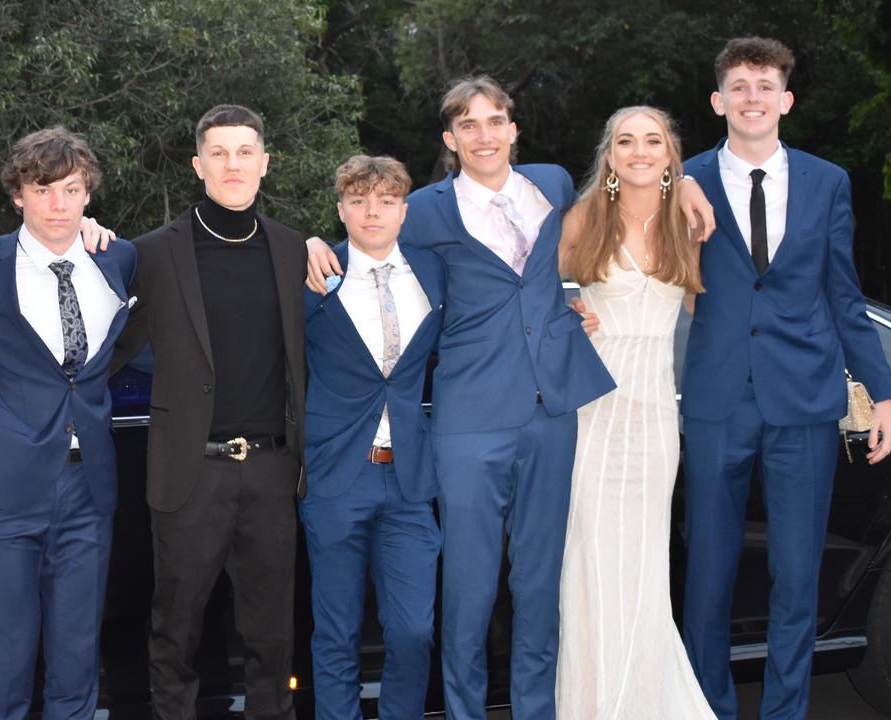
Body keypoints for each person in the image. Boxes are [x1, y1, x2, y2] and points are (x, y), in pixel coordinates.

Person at [305, 76, 714, 720]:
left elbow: (631, 196)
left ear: (513, 129)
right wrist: (313, 246)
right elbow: (368, 244)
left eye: (495, 120)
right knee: (467, 594)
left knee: (540, 588)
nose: (484, 134)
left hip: (554, 417)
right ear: (451, 139)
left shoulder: (551, 187)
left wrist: (686, 179)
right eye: (468, 125)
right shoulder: (428, 209)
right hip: (468, 423)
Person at [680, 37, 891, 720]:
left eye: (764, 86)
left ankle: (784, 712)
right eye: (738, 85)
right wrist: (669, 180)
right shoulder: (684, 178)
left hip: (803, 401)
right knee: (706, 580)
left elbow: (843, 295)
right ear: (718, 100)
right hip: (716, 402)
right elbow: (602, 196)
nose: (751, 97)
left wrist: (884, 391)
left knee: (796, 580)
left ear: (786, 100)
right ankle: (710, 708)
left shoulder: (828, 181)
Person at [110, 104, 307, 720]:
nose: (232, 165)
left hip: (273, 473)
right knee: (177, 631)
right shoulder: (150, 254)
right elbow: (105, 349)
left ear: (264, 163)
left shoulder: (293, 248)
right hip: (190, 473)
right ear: (198, 165)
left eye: (245, 152)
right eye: (218, 153)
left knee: (272, 637)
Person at [0, 127, 136, 720]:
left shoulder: (120, 258)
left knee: (78, 667)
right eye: (43, 189)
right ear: (17, 196)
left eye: (71, 189)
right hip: (1, 493)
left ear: (88, 195)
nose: (58, 204)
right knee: (3, 673)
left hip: (89, 489)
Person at [555, 106, 714, 719]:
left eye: (653, 141)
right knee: (591, 563)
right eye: (626, 140)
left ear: (671, 154)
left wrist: (690, 183)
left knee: (646, 568)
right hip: (592, 414)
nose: (639, 151)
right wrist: (568, 310)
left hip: (652, 418)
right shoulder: (584, 217)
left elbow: (715, 310)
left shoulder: (691, 220)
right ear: (610, 154)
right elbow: (533, 293)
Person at [299, 155, 445, 720]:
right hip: (336, 475)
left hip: (409, 478)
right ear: (341, 210)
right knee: (335, 631)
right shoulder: (312, 271)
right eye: (358, 201)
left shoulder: (433, 272)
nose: (372, 212)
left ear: (404, 210)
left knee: (413, 631)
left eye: (385, 200)